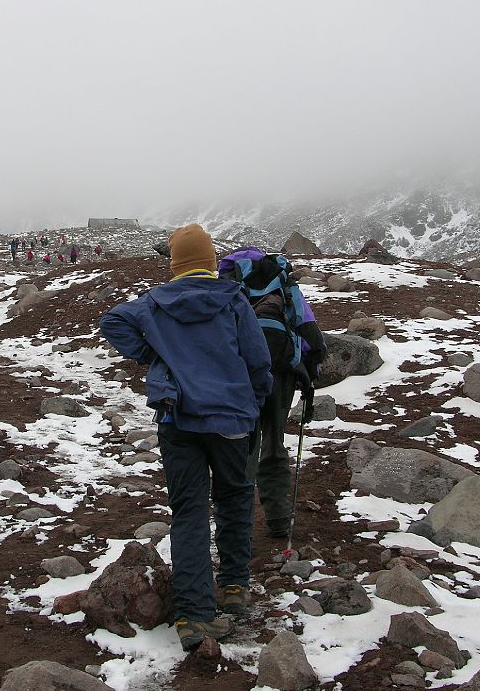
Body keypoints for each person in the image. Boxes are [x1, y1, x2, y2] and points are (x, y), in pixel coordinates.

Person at [101, 224, 272, 651]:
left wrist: (156, 353)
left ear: (175, 263)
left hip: (178, 422)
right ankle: (234, 587)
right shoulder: (234, 300)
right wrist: (255, 403)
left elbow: (113, 321)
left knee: (189, 511)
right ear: (212, 260)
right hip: (232, 421)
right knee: (234, 497)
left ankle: (193, 615)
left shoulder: (154, 303)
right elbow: (258, 361)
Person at [219, 248, 326, 539]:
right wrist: (309, 370)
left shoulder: (229, 281)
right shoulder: (285, 284)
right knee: (274, 442)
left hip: (244, 375)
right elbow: (308, 330)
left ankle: (237, 522)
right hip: (282, 374)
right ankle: (278, 518)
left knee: (244, 444)